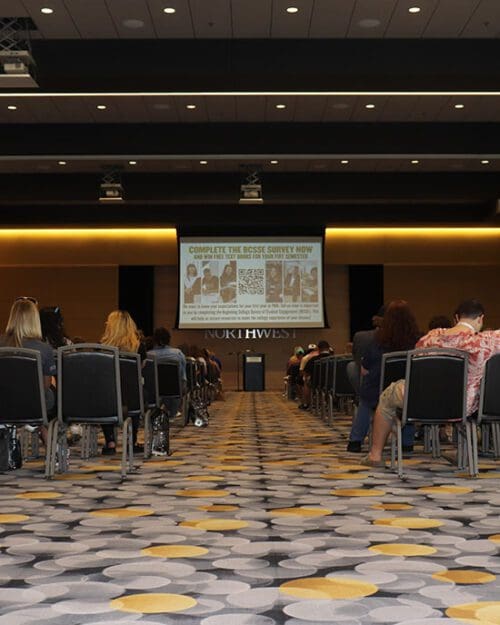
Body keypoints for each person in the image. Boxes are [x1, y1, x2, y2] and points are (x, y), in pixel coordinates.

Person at [362, 299, 500, 467]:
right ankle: (464, 451)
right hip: (460, 405)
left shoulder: (431, 337)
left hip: (420, 401)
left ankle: (375, 456)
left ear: (456, 318)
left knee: (387, 397)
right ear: (481, 319)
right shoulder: (488, 341)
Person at [346, 300, 420, 453]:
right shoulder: (417, 341)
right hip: (407, 391)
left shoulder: (378, 340)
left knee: (365, 402)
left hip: (377, 391)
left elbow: (364, 368)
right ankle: (407, 443)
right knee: (408, 400)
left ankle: (355, 441)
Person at [100, 310, 146, 455]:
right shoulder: (139, 348)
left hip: (108, 400)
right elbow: (140, 371)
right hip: (132, 402)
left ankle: (110, 442)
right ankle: (132, 441)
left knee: (103, 392)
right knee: (136, 389)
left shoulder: (101, 349)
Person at [347, 306, 385, 396]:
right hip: (402, 388)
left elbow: (358, 360)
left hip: (373, 388)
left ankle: (362, 399)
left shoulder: (362, 338)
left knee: (352, 366)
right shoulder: (411, 339)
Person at [149, 327, 187, 418]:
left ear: (154, 340)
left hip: (155, 391)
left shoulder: (148, 355)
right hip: (175, 391)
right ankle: (173, 411)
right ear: (168, 340)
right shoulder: (178, 353)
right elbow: (183, 376)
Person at [299, 340, 332, 410]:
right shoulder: (335, 359)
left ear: (318, 349)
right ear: (329, 348)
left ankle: (308, 404)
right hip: (332, 384)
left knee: (306, 381)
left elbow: (305, 372)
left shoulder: (314, 360)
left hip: (317, 384)